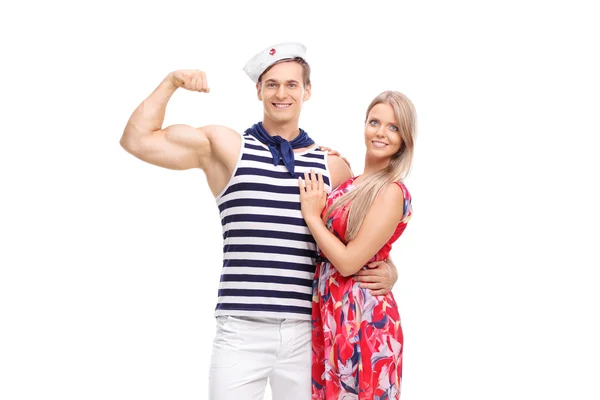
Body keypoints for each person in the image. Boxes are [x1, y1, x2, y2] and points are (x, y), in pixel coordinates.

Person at [120, 42, 399, 399]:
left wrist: (390, 270)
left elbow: (361, 238)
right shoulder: (227, 147)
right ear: (259, 90)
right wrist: (171, 82)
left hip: (307, 330)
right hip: (240, 329)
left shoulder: (334, 166)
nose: (281, 93)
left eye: (292, 84)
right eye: (272, 84)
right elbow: (136, 140)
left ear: (307, 91)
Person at [298, 90, 416, 399]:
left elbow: (350, 263)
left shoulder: (391, 192)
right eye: (375, 122)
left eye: (393, 127)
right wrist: (323, 158)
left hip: (362, 316)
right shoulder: (351, 182)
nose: (381, 132)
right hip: (329, 312)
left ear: (405, 138)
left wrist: (312, 217)